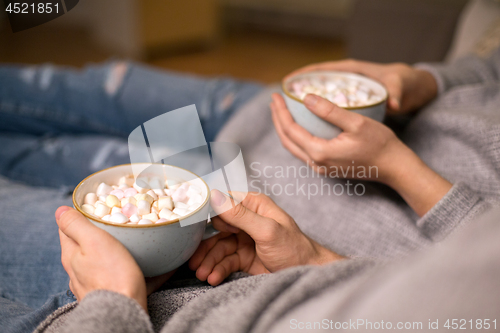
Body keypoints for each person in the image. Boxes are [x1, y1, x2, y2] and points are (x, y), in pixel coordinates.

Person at [1, 45, 499, 332]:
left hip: (197, 254)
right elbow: (490, 66)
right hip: (259, 133)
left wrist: (395, 164)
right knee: (51, 91)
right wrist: (423, 80)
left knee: (39, 159)